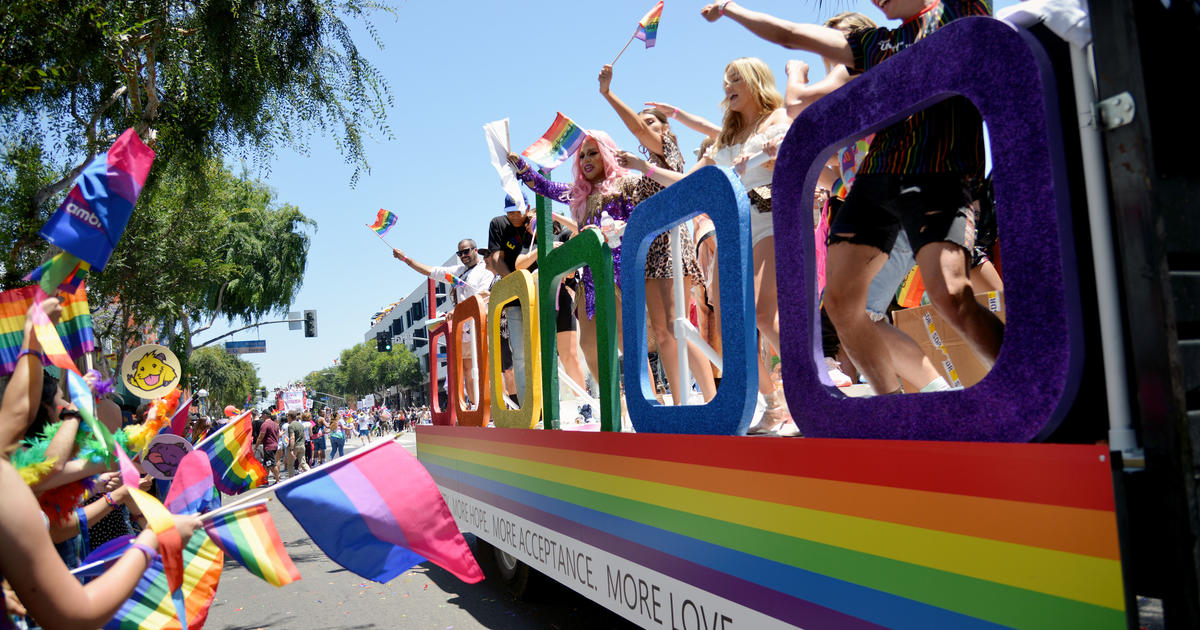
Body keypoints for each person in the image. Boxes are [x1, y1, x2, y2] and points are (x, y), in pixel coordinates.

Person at [699, 0, 1001, 395]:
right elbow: (790, 35)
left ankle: (1029, 384)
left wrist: (797, 77)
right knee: (841, 306)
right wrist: (732, 9)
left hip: (937, 174)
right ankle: (890, 409)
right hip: (875, 180)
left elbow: (796, 99)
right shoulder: (877, 44)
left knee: (949, 294)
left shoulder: (959, 10)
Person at [617, 57, 798, 435]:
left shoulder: (777, 120)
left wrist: (677, 115)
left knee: (763, 315)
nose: (727, 86)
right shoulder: (728, 139)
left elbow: (785, 156)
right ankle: (775, 403)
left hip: (769, 217)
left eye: (734, 79)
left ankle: (807, 386)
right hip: (735, 229)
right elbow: (686, 183)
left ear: (754, 81)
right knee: (732, 325)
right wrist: (643, 167)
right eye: (724, 81)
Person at [0, 297, 202, 629]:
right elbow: (77, 614)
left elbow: (91, 461)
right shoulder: (11, 480)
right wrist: (152, 539)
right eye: (62, 403)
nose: (68, 405)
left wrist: (32, 342)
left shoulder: (12, 472)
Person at [508, 131, 665, 401]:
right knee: (589, 344)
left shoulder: (626, 184)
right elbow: (544, 187)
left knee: (628, 342)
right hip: (590, 279)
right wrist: (521, 167)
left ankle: (652, 401)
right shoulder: (578, 193)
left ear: (607, 153)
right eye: (581, 155)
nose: (586, 160)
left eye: (593, 153)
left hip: (620, 274)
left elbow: (645, 221)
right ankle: (612, 404)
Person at [598, 64, 717, 405]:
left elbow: (637, 131)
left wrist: (608, 94)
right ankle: (680, 405)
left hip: (671, 242)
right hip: (649, 250)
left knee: (681, 325)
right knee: (663, 331)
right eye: (643, 124)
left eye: (651, 122)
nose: (644, 129)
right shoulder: (644, 163)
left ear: (665, 129)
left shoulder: (668, 150)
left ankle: (711, 398)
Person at [394, 238, 495, 406]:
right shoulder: (459, 270)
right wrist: (406, 259)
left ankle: (490, 409)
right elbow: (431, 271)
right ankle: (475, 407)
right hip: (464, 329)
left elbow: (483, 295)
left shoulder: (486, 269)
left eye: (467, 251)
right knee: (467, 370)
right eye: (460, 253)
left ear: (475, 250)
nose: (463, 255)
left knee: (485, 370)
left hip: (481, 324)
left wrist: (457, 310)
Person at [254, 411, 281, 484]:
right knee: (266, 464)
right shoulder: (275, 424)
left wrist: (255, 447)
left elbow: (260, 437)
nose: (261, 417)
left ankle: (277, 480)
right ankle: (265, 480)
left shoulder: (265, 424)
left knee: (272, 464)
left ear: (265, 415)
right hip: (274, 446)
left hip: (268, 447)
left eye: (262, 415)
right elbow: (278, 435)